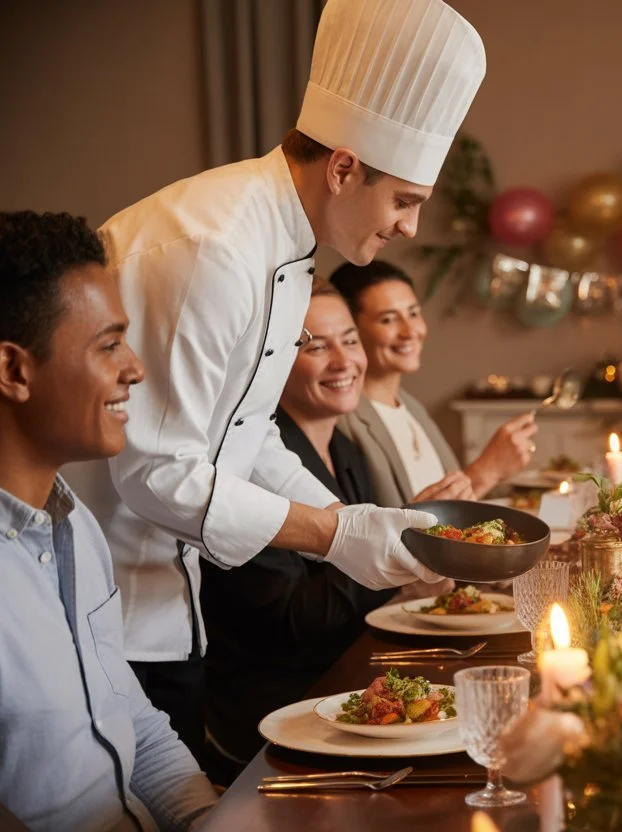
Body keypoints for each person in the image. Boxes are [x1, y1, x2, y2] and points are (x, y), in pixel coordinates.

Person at [62, 0, 485, 758]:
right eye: (404, 201)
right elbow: (157, 472)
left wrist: (352, 524)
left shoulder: (286, 242)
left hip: (174, 605)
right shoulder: (211, 244)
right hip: (110, 608)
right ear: (345, 165)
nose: (410, 228)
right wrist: (332, 533)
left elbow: (244, 432)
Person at [0, 211, 216, 831]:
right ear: (15, 371)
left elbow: (133, 721)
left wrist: (208, 820)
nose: (135, 369)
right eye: (108, 343)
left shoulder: (76, 528)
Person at [201, 279, 431, 772]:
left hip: (346, 686)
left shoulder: (346, 450)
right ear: (272, 360)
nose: (344, 361)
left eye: (349, 340)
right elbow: (290, 622)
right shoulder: (246, 467)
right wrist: (395, 557)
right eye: (315, 346)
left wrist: (397, 553)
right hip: (276, 714)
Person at [329, 259, 538, 505]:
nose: (410, 331)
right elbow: (379, 532)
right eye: (388, 320)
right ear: (349, 330)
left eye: (414, 313)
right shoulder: (341, 424)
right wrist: (485, 472)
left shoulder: (412, 409)